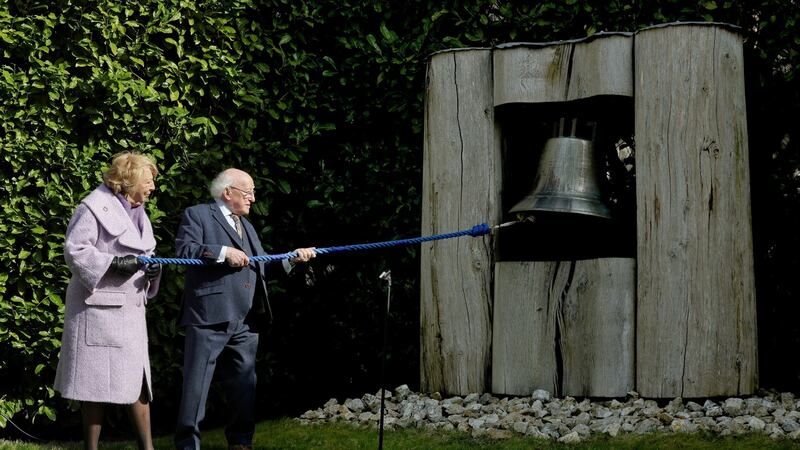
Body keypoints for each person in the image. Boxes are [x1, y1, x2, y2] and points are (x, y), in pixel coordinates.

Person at [174, 168, 315, 450]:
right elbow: (185, 250)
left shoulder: (247, 226)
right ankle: (188, 444)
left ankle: (241, 441)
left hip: (247, 319)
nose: (253, 198)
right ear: (228, 192)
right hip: (209, 316)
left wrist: (292, 260)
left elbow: (262, 265)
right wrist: (224, 253)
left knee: (244, 385)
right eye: (248, 192)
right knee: (196, 387)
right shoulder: (198, 214)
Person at [54, 152, 162, 450]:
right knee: (94, 386)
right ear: (129, 180)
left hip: (130, 311)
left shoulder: (139, 212)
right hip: (98, 312)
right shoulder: (92, 207)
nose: (153, 187)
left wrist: (153, 271)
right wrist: (112, 264)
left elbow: (146, 253)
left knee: (139, 382)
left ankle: (148, 447)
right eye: (148, 180)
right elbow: (75, 250)